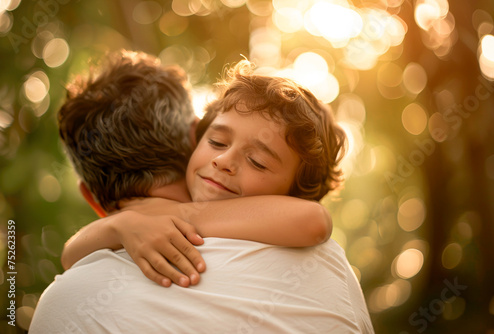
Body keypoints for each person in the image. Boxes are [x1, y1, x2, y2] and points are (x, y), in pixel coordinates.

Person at [29, 51, 374, 333]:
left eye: (257, 161)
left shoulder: (61, 304)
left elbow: (314, 219)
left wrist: (154, 216)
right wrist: (121, 225)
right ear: (197, 136)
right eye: (218, 141)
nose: (224, 160)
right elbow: (69, 253)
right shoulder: (330, 273)